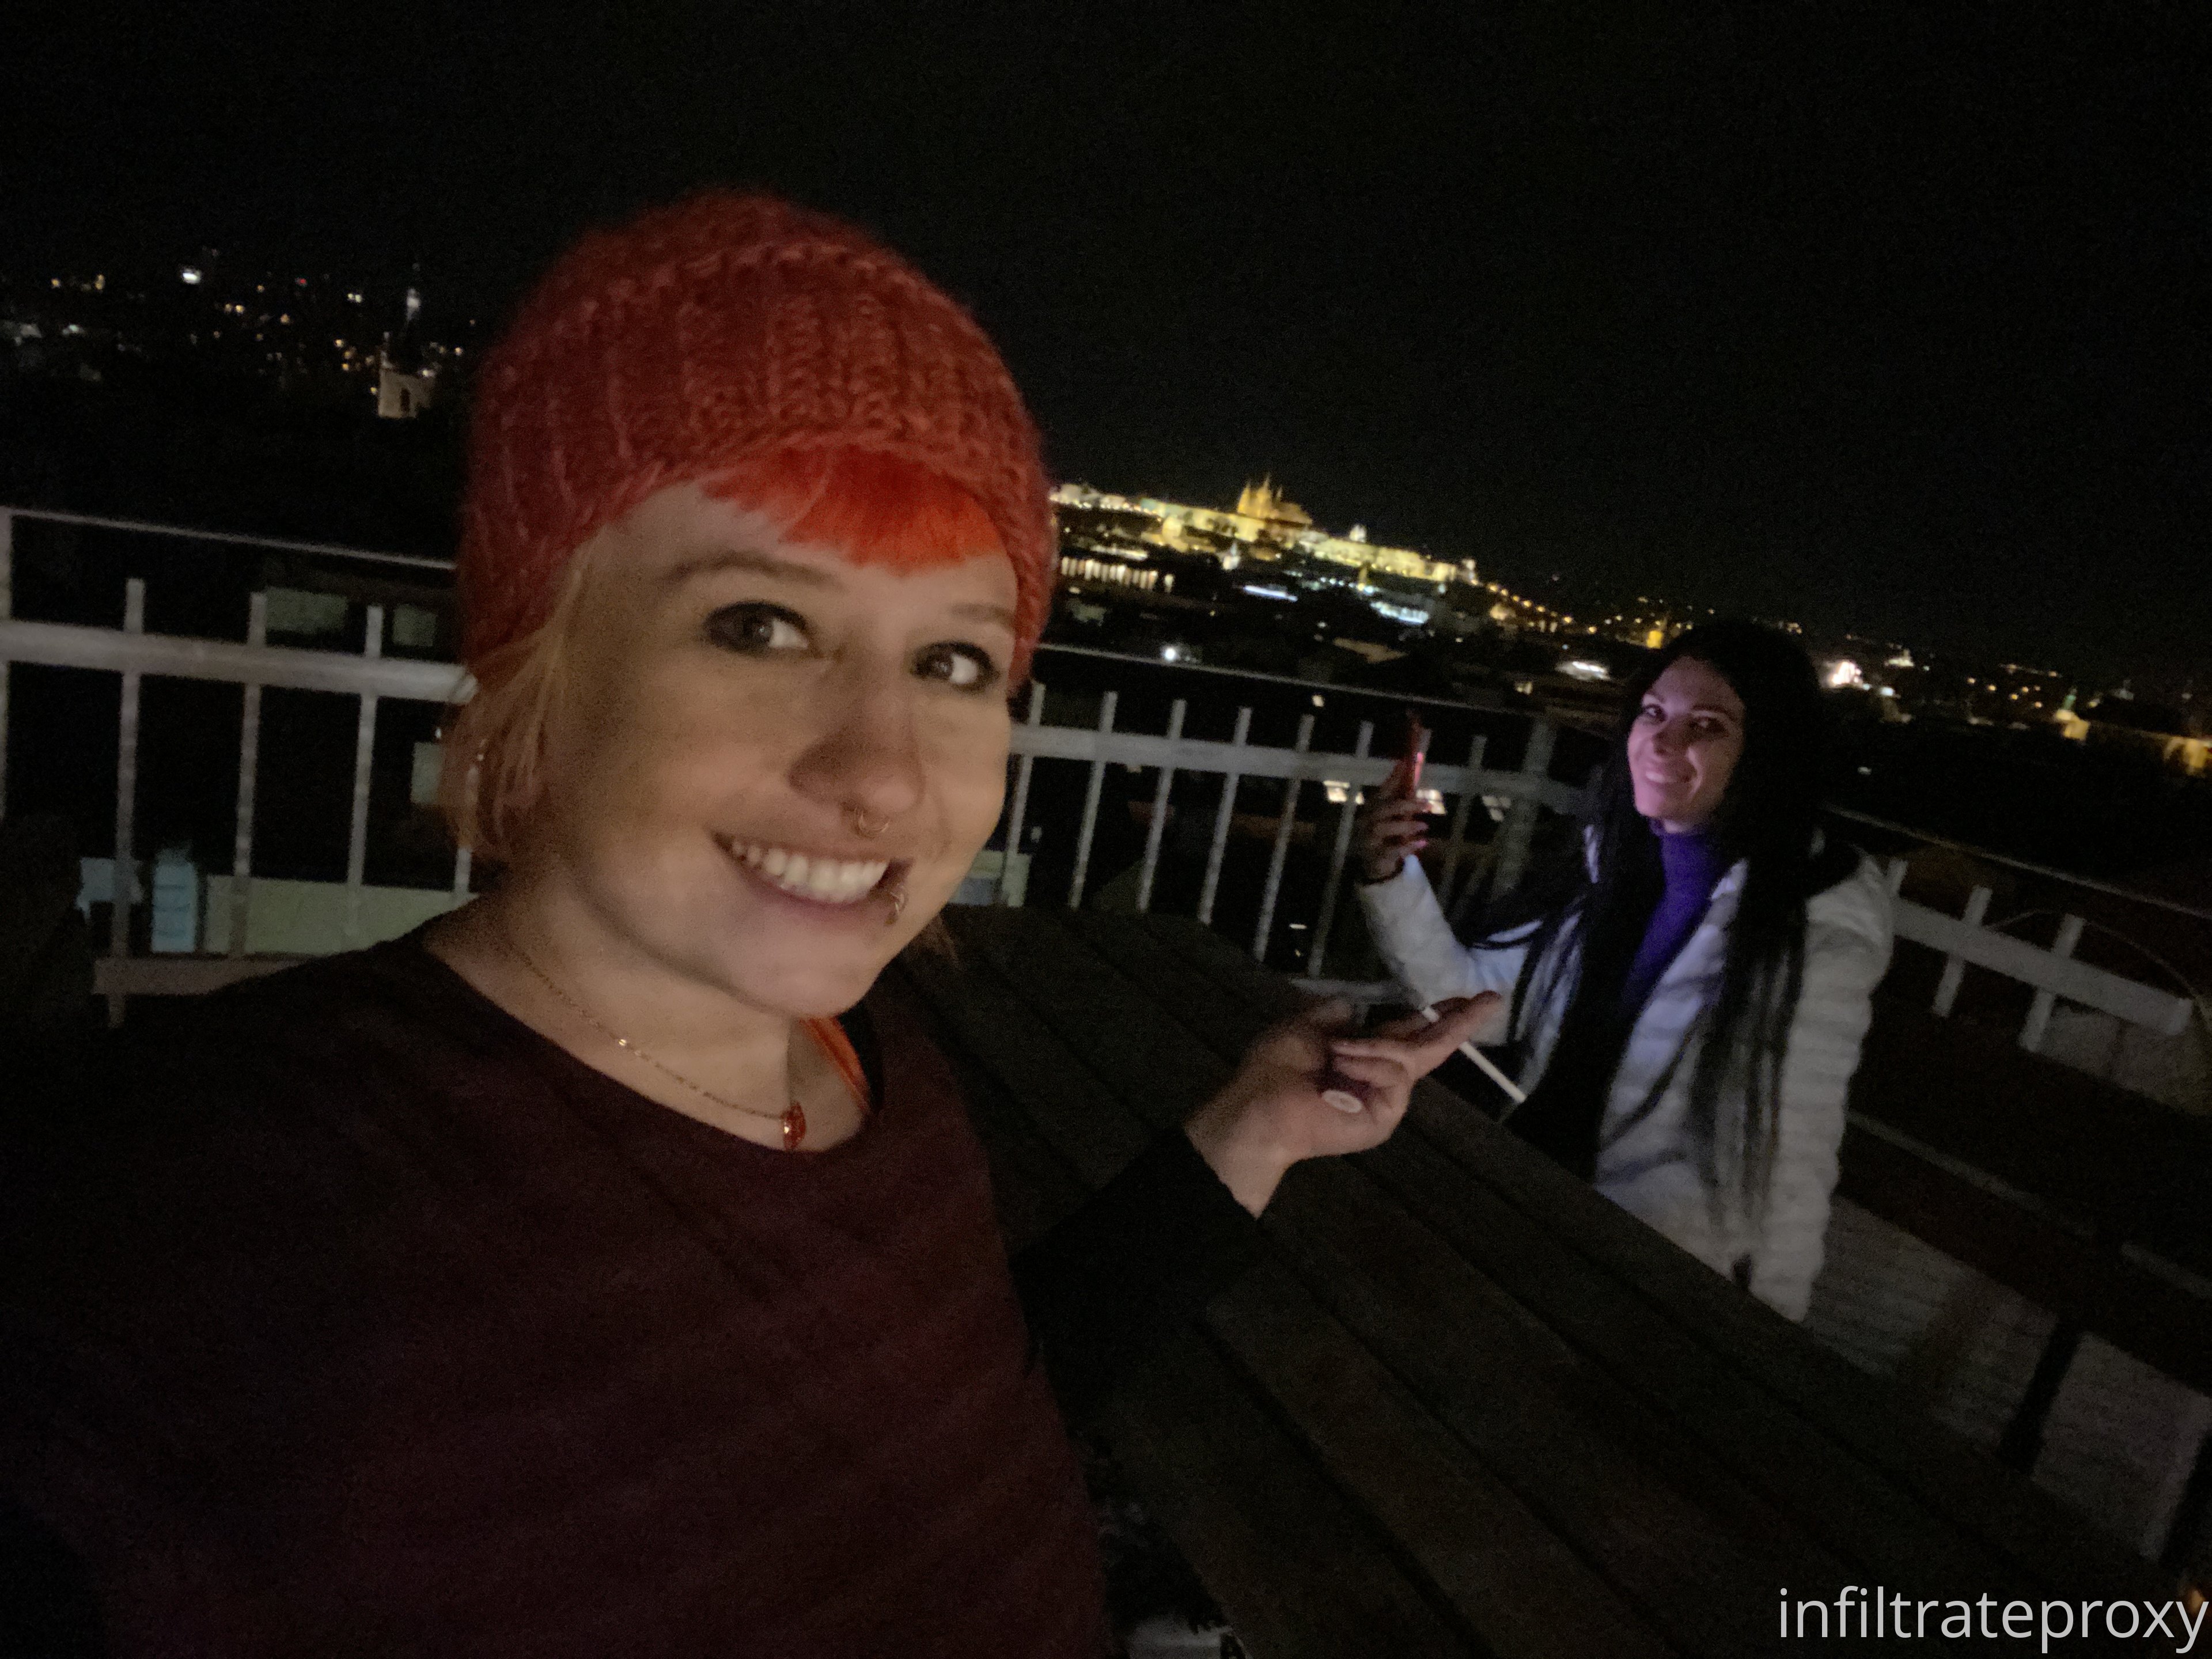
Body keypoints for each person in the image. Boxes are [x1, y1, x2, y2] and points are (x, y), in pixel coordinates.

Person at [0, 195, 1493, 1658]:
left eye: (955, 662)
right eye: (758, 627)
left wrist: (1250, 1135)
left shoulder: (872, 1061)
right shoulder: (211, 1217)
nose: (883, 775)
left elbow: (971, 1409)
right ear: (537, 674)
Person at [1349, 622, 1893, 1320]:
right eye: (1653, 713)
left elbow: (1788, 1163)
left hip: (1636, 1274)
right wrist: (1390, 874)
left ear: (1766, 753)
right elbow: (1471, 1003)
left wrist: (1761, 1336)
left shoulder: (1807, 933)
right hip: (1532, 1202)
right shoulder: (1629, 874)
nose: (1663, 741)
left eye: (1707, 725)